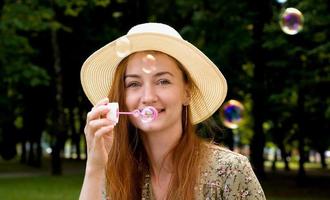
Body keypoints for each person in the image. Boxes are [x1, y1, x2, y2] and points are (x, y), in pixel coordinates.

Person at [79, 23, 266, 200]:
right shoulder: (113, 173)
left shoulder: (230, 171)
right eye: (134, 84)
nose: (148, 96)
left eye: (163, 81)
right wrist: (95, 167)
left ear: (187, 92)